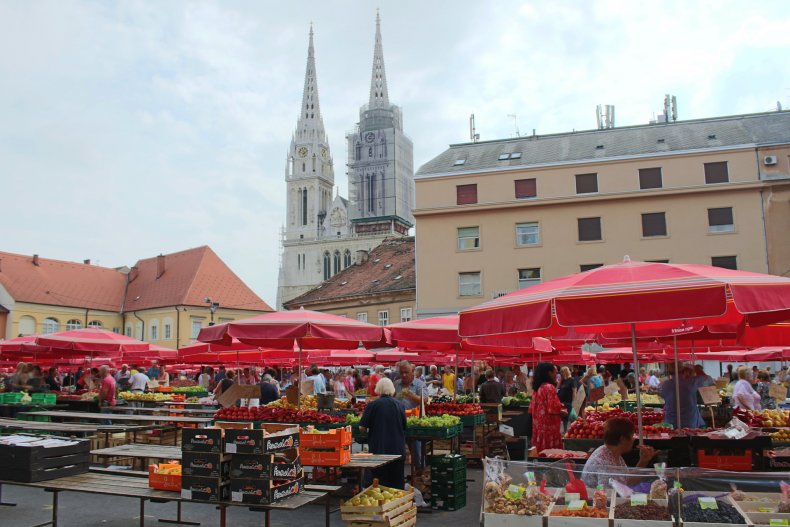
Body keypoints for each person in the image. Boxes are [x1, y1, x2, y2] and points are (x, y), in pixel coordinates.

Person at [581, 417, 658, 488]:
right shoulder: (604, 462)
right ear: (623, 439)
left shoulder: (612, 453)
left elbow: (626, 481)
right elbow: (607, 495)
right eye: (632, 436)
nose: (633, 439)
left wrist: (643, 461)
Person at [359, 378, 407, 489]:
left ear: (378, 389)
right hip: (397, 450)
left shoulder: (373, 405)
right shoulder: (400, 405)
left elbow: (362, 427)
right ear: (392, 389)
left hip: (379, 451)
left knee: (381, 486)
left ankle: (383, 506)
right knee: (397, 486)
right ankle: (398, 506)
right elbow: (404, 427)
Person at [529, 363, 567, 452]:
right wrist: (563, 412)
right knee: (551, 455)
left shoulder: (537, 388)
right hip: (549, 428)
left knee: (541, 456)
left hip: (539, 428)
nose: (556, 375)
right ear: (549, 373)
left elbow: (532, 409)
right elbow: (553, 409)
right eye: (555, 372)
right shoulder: (549, 387)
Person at [658, 363, 706, 429]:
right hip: (689, 423)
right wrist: (696, 368)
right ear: (684, 371)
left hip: (671, 423)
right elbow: (704, 377)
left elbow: (663, 396)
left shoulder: (666, 384)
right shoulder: (691, 382)